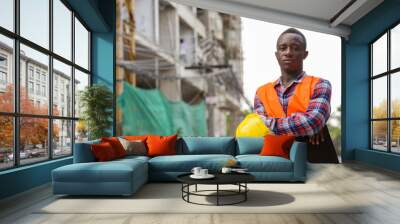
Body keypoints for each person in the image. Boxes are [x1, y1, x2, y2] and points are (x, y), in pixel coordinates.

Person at [254, 28, 338, 163]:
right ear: (277, 54)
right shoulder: (261, 92)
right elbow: (257, 127)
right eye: (283, 48)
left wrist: (272, 126)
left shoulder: (320, 84)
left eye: (295, 48)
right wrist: (303, 126)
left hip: (316, 159)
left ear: (305, 54)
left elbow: (312, 122)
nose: (288, 52)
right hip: (276, 160)